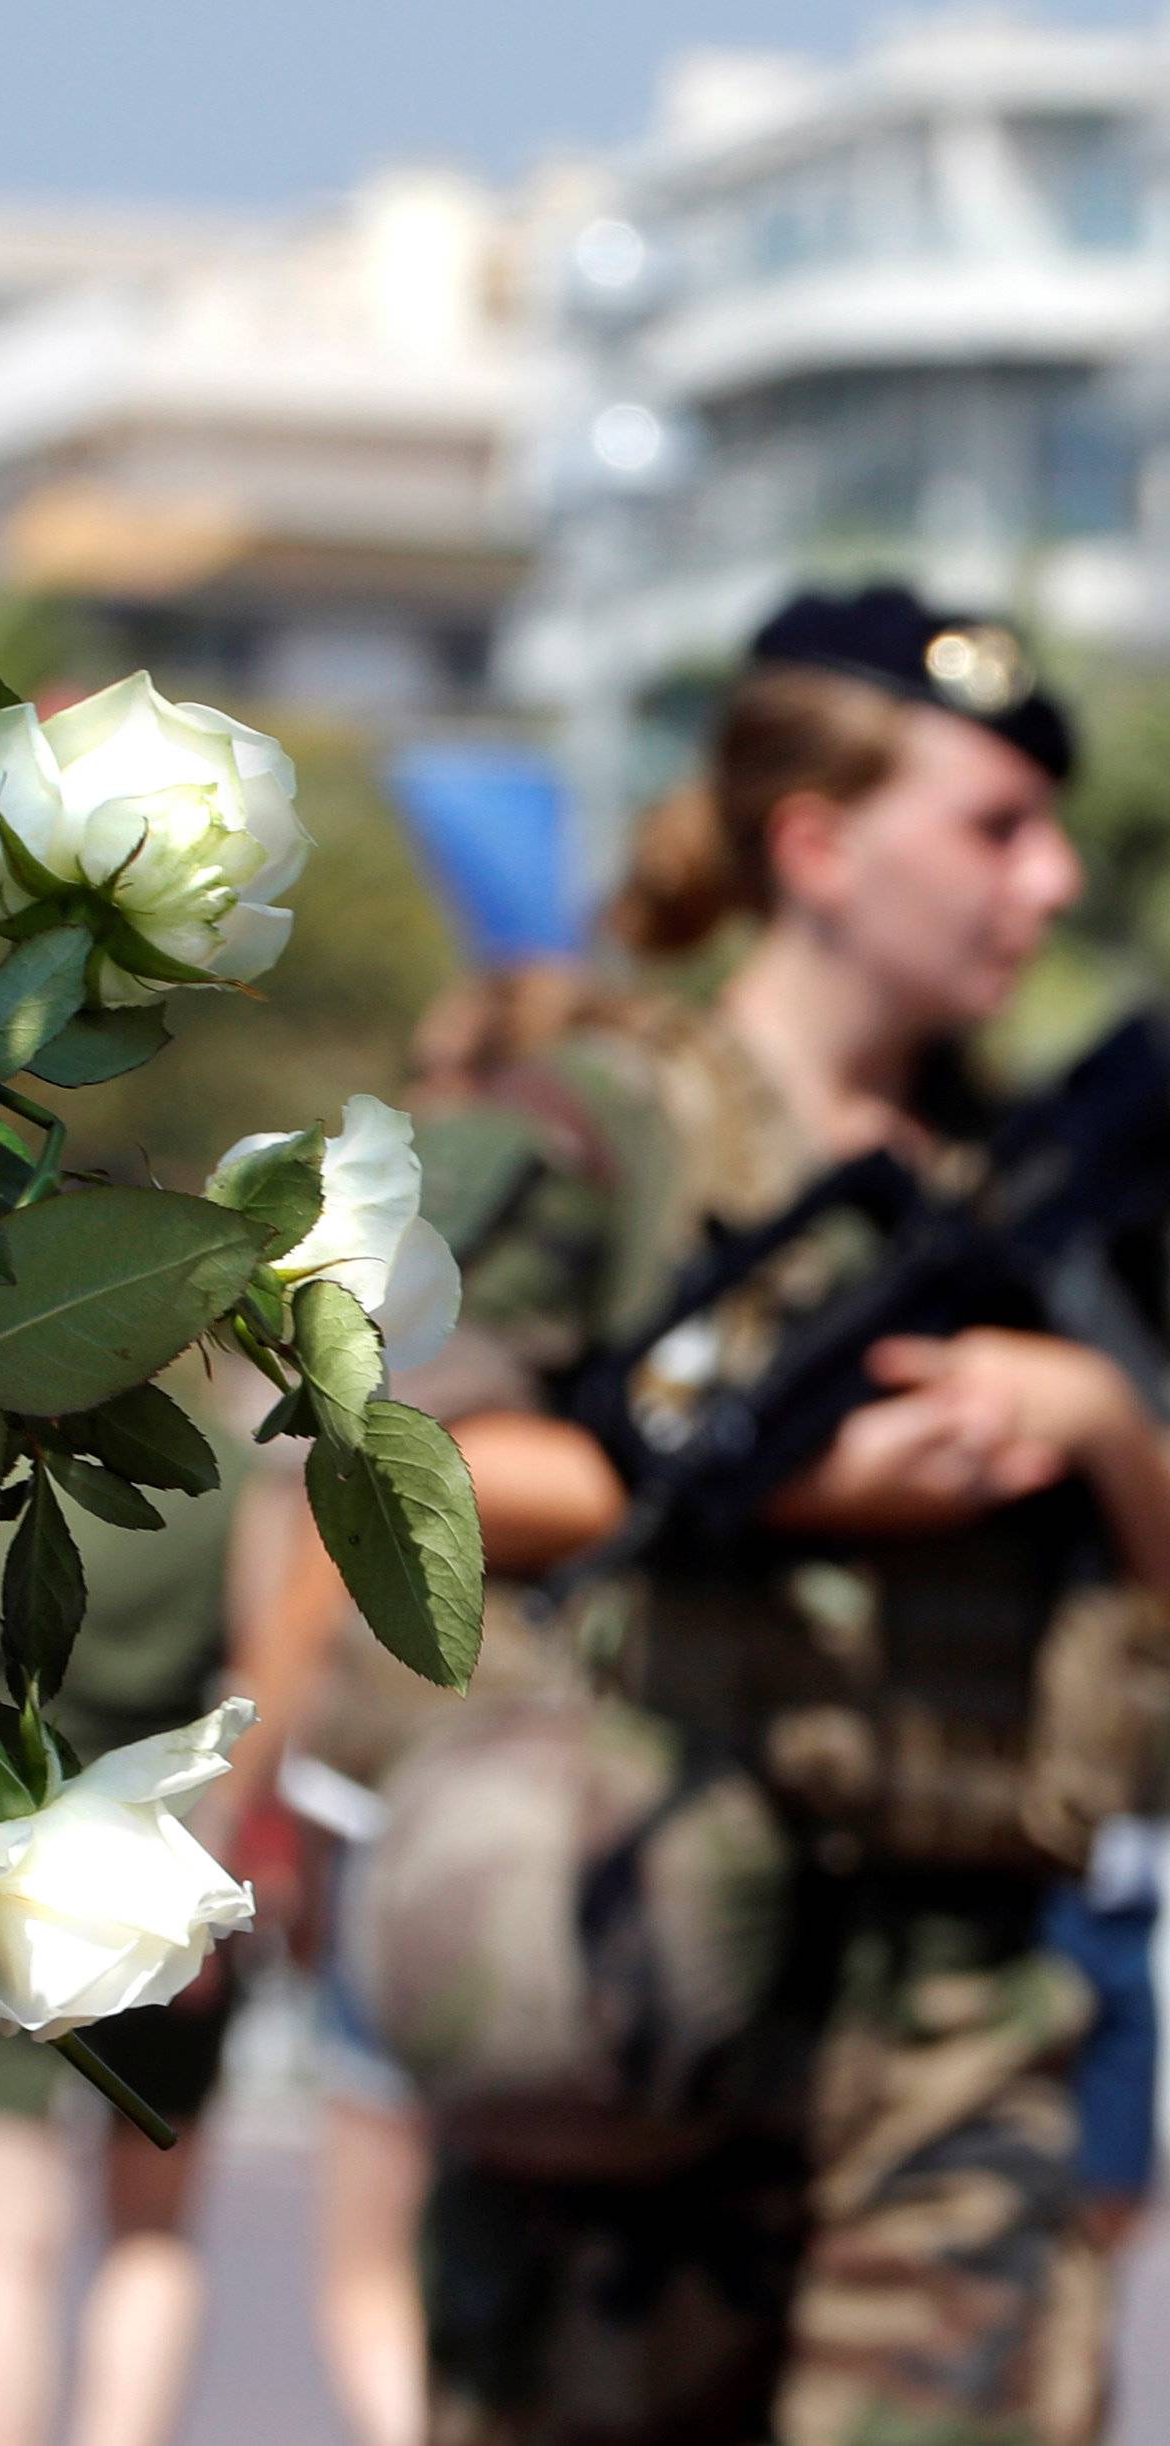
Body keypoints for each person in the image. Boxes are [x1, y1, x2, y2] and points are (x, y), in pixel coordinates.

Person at [358, 584, 1170, 2446]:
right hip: (631, 1977)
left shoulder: (1040, 1183)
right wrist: (781, 1479)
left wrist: (1099, 1418)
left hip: (959, 2011)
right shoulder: (596, 1127)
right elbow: (411, 1478)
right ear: (814, 843)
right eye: (992, 828)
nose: (1046, 884)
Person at [0, 1382, 252, 2446]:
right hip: (170, 1850)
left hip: (7, 1853)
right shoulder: (225, 1465)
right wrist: (217, 1862)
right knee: (152, 2232)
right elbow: (271, 1672)